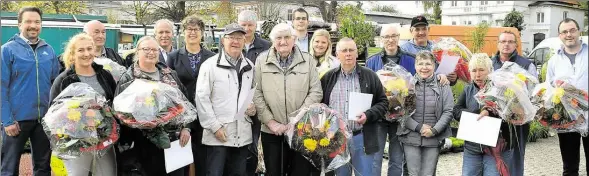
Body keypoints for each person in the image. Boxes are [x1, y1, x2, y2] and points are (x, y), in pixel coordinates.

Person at [367, 24, 449, 176]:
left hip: (402, 120)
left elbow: (423, 77)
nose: (390, 40)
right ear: (381, 39)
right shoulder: (371, 61)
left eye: (393, 36)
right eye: (386, 37)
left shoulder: (411, 60)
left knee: (397, 160)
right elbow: (367, 89)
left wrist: (441, 75)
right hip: (378, 118)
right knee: (375, 160)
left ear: (399, 37)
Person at [253, 23, 323, 176]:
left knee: (300, 172)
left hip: (301, 131)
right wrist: (271, 122)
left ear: (294, 39)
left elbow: (316, 92)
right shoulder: (261, 61)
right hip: (272, 132)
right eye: (278, 38)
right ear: (272, 40)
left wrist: (296, 121)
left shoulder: (308, 60)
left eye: (287, 37)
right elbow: (256, 93)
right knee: (274, 172)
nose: (283, 41)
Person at [115, 36, 191, 176]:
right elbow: (120, 111)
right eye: (146, 49)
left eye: (154, 49)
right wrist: (139, 123)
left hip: (175, 140)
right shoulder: (128, 78)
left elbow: (185, 102)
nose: (151, 52)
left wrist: (186, 128)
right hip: (144, 143)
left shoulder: (170, 74)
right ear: (137, 52)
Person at [1, 7, 59, 176]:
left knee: (43, 167)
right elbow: (1, 87)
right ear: (19, 25)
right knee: (9, 169)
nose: (33, 25)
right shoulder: (7, 50)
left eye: (37, 22)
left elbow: (55, 84)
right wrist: (7, 120)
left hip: (44, 120)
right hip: (16, 121)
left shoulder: (49, 50)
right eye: (28, 21)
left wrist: (54, 116)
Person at [49, 33, 117, 176]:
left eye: (89, 49)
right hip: (76, 144)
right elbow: (52, 115)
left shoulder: (105, 75)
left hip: (104, 140)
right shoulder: (63, 79)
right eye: (81, 50)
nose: (86, 53)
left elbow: (114, 104)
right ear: (72, 54)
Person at [320, 38, 388, 176]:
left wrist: (368, 115)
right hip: (336, 140)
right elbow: (320, 106)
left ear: (357, 53)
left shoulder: (370, 76)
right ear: (337, 54)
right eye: (344, 50)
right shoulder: (328, 78)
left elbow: (383, 102)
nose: (348, 54)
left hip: (362, 137)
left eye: (351, 50)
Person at [196, 23, 256, 176]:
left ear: (244, 41)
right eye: (231, 38)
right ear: (223, 40)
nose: (235, 41)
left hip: (242, 135)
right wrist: (215, 127)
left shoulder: (250, 66)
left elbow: (254, 94)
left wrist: (253, 107)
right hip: (218, 135)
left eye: (239, 38)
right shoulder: (209, 66)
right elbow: (202, 98)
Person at [166, 15, 216, 176]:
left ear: (202, 33)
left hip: (205, 115)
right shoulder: (173, 57)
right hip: (181, 115)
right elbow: (169, 87)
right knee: (180, 164)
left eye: (196, 29)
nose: (192, 32)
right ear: (183, 33)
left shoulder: (212, 57)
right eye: (189, 29)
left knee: (203, 161)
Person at [454, 54, 515, 176]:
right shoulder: (468, 90)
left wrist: (490, 112)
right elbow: (456, 110)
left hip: (495, 148)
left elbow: (510, 113)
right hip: (472, 148)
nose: (477, 74)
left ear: (490, 71)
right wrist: (474, 115)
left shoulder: (500, 89)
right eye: (474, 70)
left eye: (481, 70)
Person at [397, 51, 454, 176]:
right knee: (413, 173)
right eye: (420, 64)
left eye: (428, 64)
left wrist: (434, 130)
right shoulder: (407, 84)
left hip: (433, 138)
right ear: (415, 66)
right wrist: (418, 127)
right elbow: (400, 111)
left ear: (434, 66)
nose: (424, 67)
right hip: (411, 136)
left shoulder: (443, 85)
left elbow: (448, 111)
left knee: (428, 173)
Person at [490, 30, 538, 176]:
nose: (506, 45)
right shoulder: (490, 64)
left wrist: (520, 107)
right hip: (493, 118)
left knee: (516, 158)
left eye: (510, 41)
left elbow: (534, 93)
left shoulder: (526, 65)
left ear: (516, 45)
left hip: (518, 120)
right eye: (503, 41)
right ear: (498, 44)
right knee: (492, 158)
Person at [546, 18, 588, 176]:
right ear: (560, 35)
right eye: (564, 31)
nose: (569, 34)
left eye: (572, 30)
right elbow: (549, 90)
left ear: (579, 31)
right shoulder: (553, 61)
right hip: (567, 120)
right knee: (569, 168)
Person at [237, 10, 271, 176]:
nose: (247, 28)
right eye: (243, 25)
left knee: (257, 144)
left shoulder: (266, 46)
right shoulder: (233, 44)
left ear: (255, 26)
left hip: (260, 101)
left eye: (250, 25)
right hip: (238, 103)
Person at [60, 20, 125, 72]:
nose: (101, 36)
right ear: (85, 34)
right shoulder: (70, 57)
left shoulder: (113, 55)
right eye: (96, 32)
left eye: (103, 32)